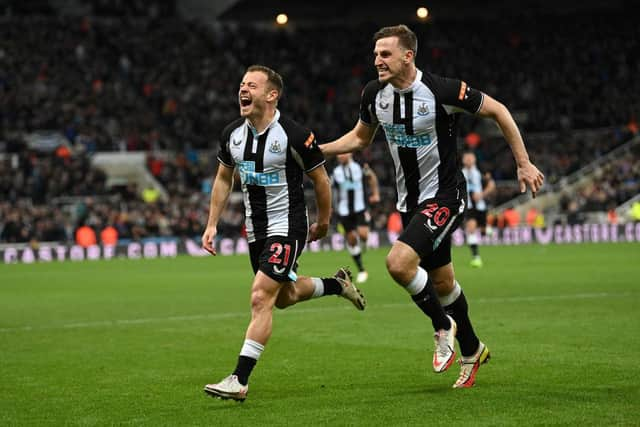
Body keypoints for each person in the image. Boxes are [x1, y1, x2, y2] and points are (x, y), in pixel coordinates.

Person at [320, 25, 544, 388]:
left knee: (398, 263)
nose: (377, 60)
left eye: (385, 53)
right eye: (375, 54)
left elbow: (499, 111)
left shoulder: (442, 90)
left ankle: (443, 326)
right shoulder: (374, 94)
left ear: (408, 55)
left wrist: (523, 162)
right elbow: (360, 138)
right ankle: (472, 349)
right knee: (442, 282)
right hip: (410, 202)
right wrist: (321, 150)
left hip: (444, 195)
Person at [201, 65, 366, 402]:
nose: (243, 89)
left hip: (287, 225)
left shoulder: (293, 135)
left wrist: (323, 221)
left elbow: (321, 179)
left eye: (251, 84)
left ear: (271, 95)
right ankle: (337, 284)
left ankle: (239, 379)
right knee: (285, 297)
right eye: (241, 83)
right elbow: (222, 178)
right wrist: (212, 223)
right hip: (256, 230)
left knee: (261, 297)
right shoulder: (232, 134)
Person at [331, 153, 380, 283]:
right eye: (338, 155)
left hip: (360, 208)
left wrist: (375, 193)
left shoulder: (359, 167)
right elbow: (331, 190)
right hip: (344, 210)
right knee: (352, 239)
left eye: (343, 154)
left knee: (363, 235)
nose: (340, 157)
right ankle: (362, 270)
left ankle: (363, 244)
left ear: (350, 153)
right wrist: (330, 207)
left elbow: (371, 177)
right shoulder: (336, 172)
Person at [461, 151, 495, 268]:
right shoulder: (460, 173)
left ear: (474, 159)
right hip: (469, 207)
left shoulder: (480, 171)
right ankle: (476, 258)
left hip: (481, 206)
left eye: (471, 158)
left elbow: (491, 185)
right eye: (467, 158)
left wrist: (481, 194)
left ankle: (487, 229)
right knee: (471, 228)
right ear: (463, 160)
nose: (469, 160)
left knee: (483, 231)